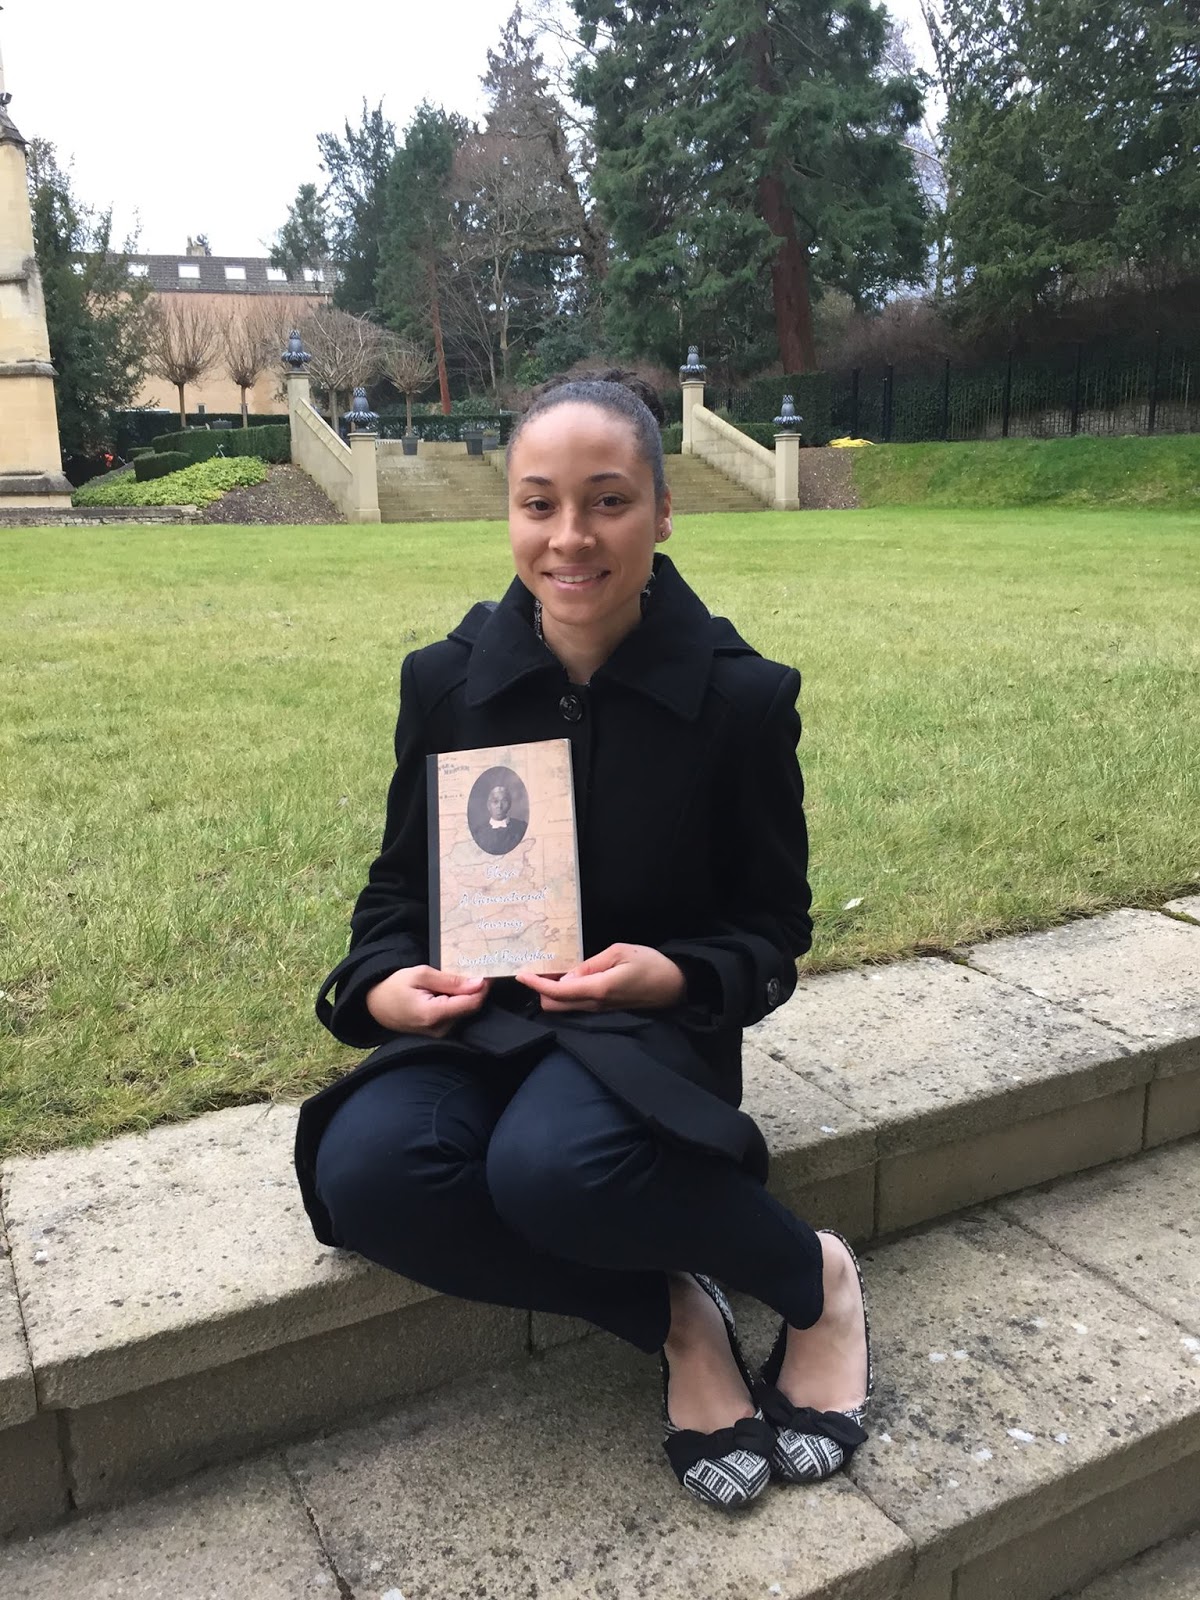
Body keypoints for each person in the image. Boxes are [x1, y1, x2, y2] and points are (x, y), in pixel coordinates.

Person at [292, 372, 872, 1511]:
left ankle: (816, 1279)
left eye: (607, 502)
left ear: (663, 510)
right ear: (507, 511)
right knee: (365, 1175)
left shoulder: (740, 703)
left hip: (645, 1034)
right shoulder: (447, 685)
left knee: (555, 1173)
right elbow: (396, 895)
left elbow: (771, 934)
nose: (569, 538)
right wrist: (384, 988)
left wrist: (675, 974)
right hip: (483, 1025)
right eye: (537, 503)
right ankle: (673, 1313)